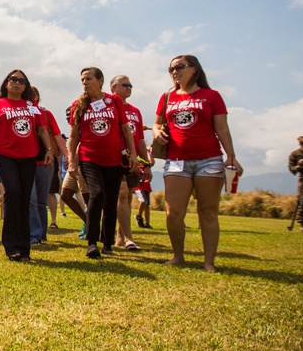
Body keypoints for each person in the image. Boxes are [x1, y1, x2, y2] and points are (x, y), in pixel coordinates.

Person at [152, 55, 242, 272]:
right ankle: (178, 255)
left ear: (194, 69)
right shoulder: (167, 97)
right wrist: (156, 133)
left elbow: (222, 128)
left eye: (179, 67)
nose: (174, 72)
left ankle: (208, 261)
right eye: (171, 69)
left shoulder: (211, 96)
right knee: (173, 212)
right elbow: (157, 124)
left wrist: (231, 156)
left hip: (209, 160)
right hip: (176, 161)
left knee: (208, 212)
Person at [0, 70, 55, 262]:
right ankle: (11, 246)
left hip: (29, 157)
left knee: (24, 201)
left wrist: (49, 150)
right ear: (6, 83)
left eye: (22, 81)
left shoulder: (31, 105)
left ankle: (24, 248)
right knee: (13, 194)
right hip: (5, 156)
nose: (17, 83)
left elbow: (41, 129)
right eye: (13, 79)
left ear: (26, 86)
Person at [67, 68, 139, 259]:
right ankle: (92, 242)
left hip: (114, 159)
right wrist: (71, 161)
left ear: (100, 81)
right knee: (96, 194)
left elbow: (125, 130)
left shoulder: (114, 101)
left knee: (110, 200)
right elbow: (73, 136)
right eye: (82, 79)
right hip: (89, 158)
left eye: (89, 78)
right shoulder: (78, 104)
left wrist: (132, 155)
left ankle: (107, 244)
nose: (85, 82)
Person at [110, 75, 152, 251]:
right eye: (124, 84)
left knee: (127, 198)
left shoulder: (135, 111)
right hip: (114, 157)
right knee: (121, 193)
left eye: (130, 85)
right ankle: (128, 238)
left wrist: (147, 164)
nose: (129, 87)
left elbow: (140, 140)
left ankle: (120, 235)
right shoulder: (108, 106)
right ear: (113, 87)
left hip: (132, 159)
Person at [27, 89, 68, 245]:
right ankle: (34, 235)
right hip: (27, 162)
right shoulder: (20, 113)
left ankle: (41, 235)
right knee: (31, 199)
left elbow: (57, 135)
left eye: (33, 95)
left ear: (38, 97)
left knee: (41, 201)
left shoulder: (46, 114)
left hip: (46, 162)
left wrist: (67, 156)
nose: (30, 97)